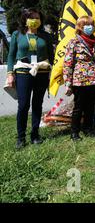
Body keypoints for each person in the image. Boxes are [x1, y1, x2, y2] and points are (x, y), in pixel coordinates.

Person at [7, 8, 54, 149]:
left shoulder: (46, 36)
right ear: (25, 19)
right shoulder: (17, 34)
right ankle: (21, 137)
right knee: (23, 105)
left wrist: (52, 72)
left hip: (42, 72)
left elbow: (51, 56)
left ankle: (35, 134)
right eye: (31, 17)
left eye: (37, 17)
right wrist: (10, 73)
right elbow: (11, 55)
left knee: (37, 104)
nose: (35, 20)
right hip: (23, 72)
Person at [63, 16, 95, 141]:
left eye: (91, 24)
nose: (90, 27)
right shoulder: (74, 42)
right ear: (80, 27)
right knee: (79, 107)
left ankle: (88, 129)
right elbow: (68, 63)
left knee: (90, 106)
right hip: (79, 81)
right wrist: (67, 83)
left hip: (93, 79)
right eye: (86, 24)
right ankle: (74, 132)